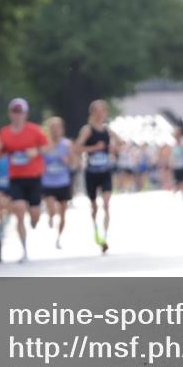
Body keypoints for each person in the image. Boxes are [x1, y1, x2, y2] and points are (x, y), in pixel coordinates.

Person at [0, 98, 48, 263]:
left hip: (34, 177)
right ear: (10, 113)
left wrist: (36, 151)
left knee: (35, 213)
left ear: (25, 114)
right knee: (19, 210)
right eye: (14, 111)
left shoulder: (34, 130)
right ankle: (24, 250)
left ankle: (34, 220)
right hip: (16, 178)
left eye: (20, 112)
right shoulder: (4, 132)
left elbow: (47, 147)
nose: (17, 115)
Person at [74, 99, 119, 254]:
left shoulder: (108, 130)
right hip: (91, 173)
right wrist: (94, 147)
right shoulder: (87, 130)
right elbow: (77, 148)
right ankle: (96, 230)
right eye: (97, 111)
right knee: (94, 206)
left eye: (103, 110)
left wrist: (115, 147)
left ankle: (105, 238)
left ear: (106, 112)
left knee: (106, 204)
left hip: (105, 171)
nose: (100, 113)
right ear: (92, 113)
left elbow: (121, 143)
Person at [41, 116, 72, 250]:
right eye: (52, 128)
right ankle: (50, 215)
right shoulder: (45, 145)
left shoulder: (67, 144)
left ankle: (59, 238)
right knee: (52, 208)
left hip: (63, 181)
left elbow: (74, 162)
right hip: (48, 182)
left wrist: (67, 160)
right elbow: (39, 161)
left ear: (62, 129)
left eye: (58, 128)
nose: (55, 131)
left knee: (63, 213)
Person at [169, 128, 183, 200]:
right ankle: (176, 196)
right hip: (176, 166)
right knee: (176, 183)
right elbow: (171, 155)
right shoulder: (172, 143)